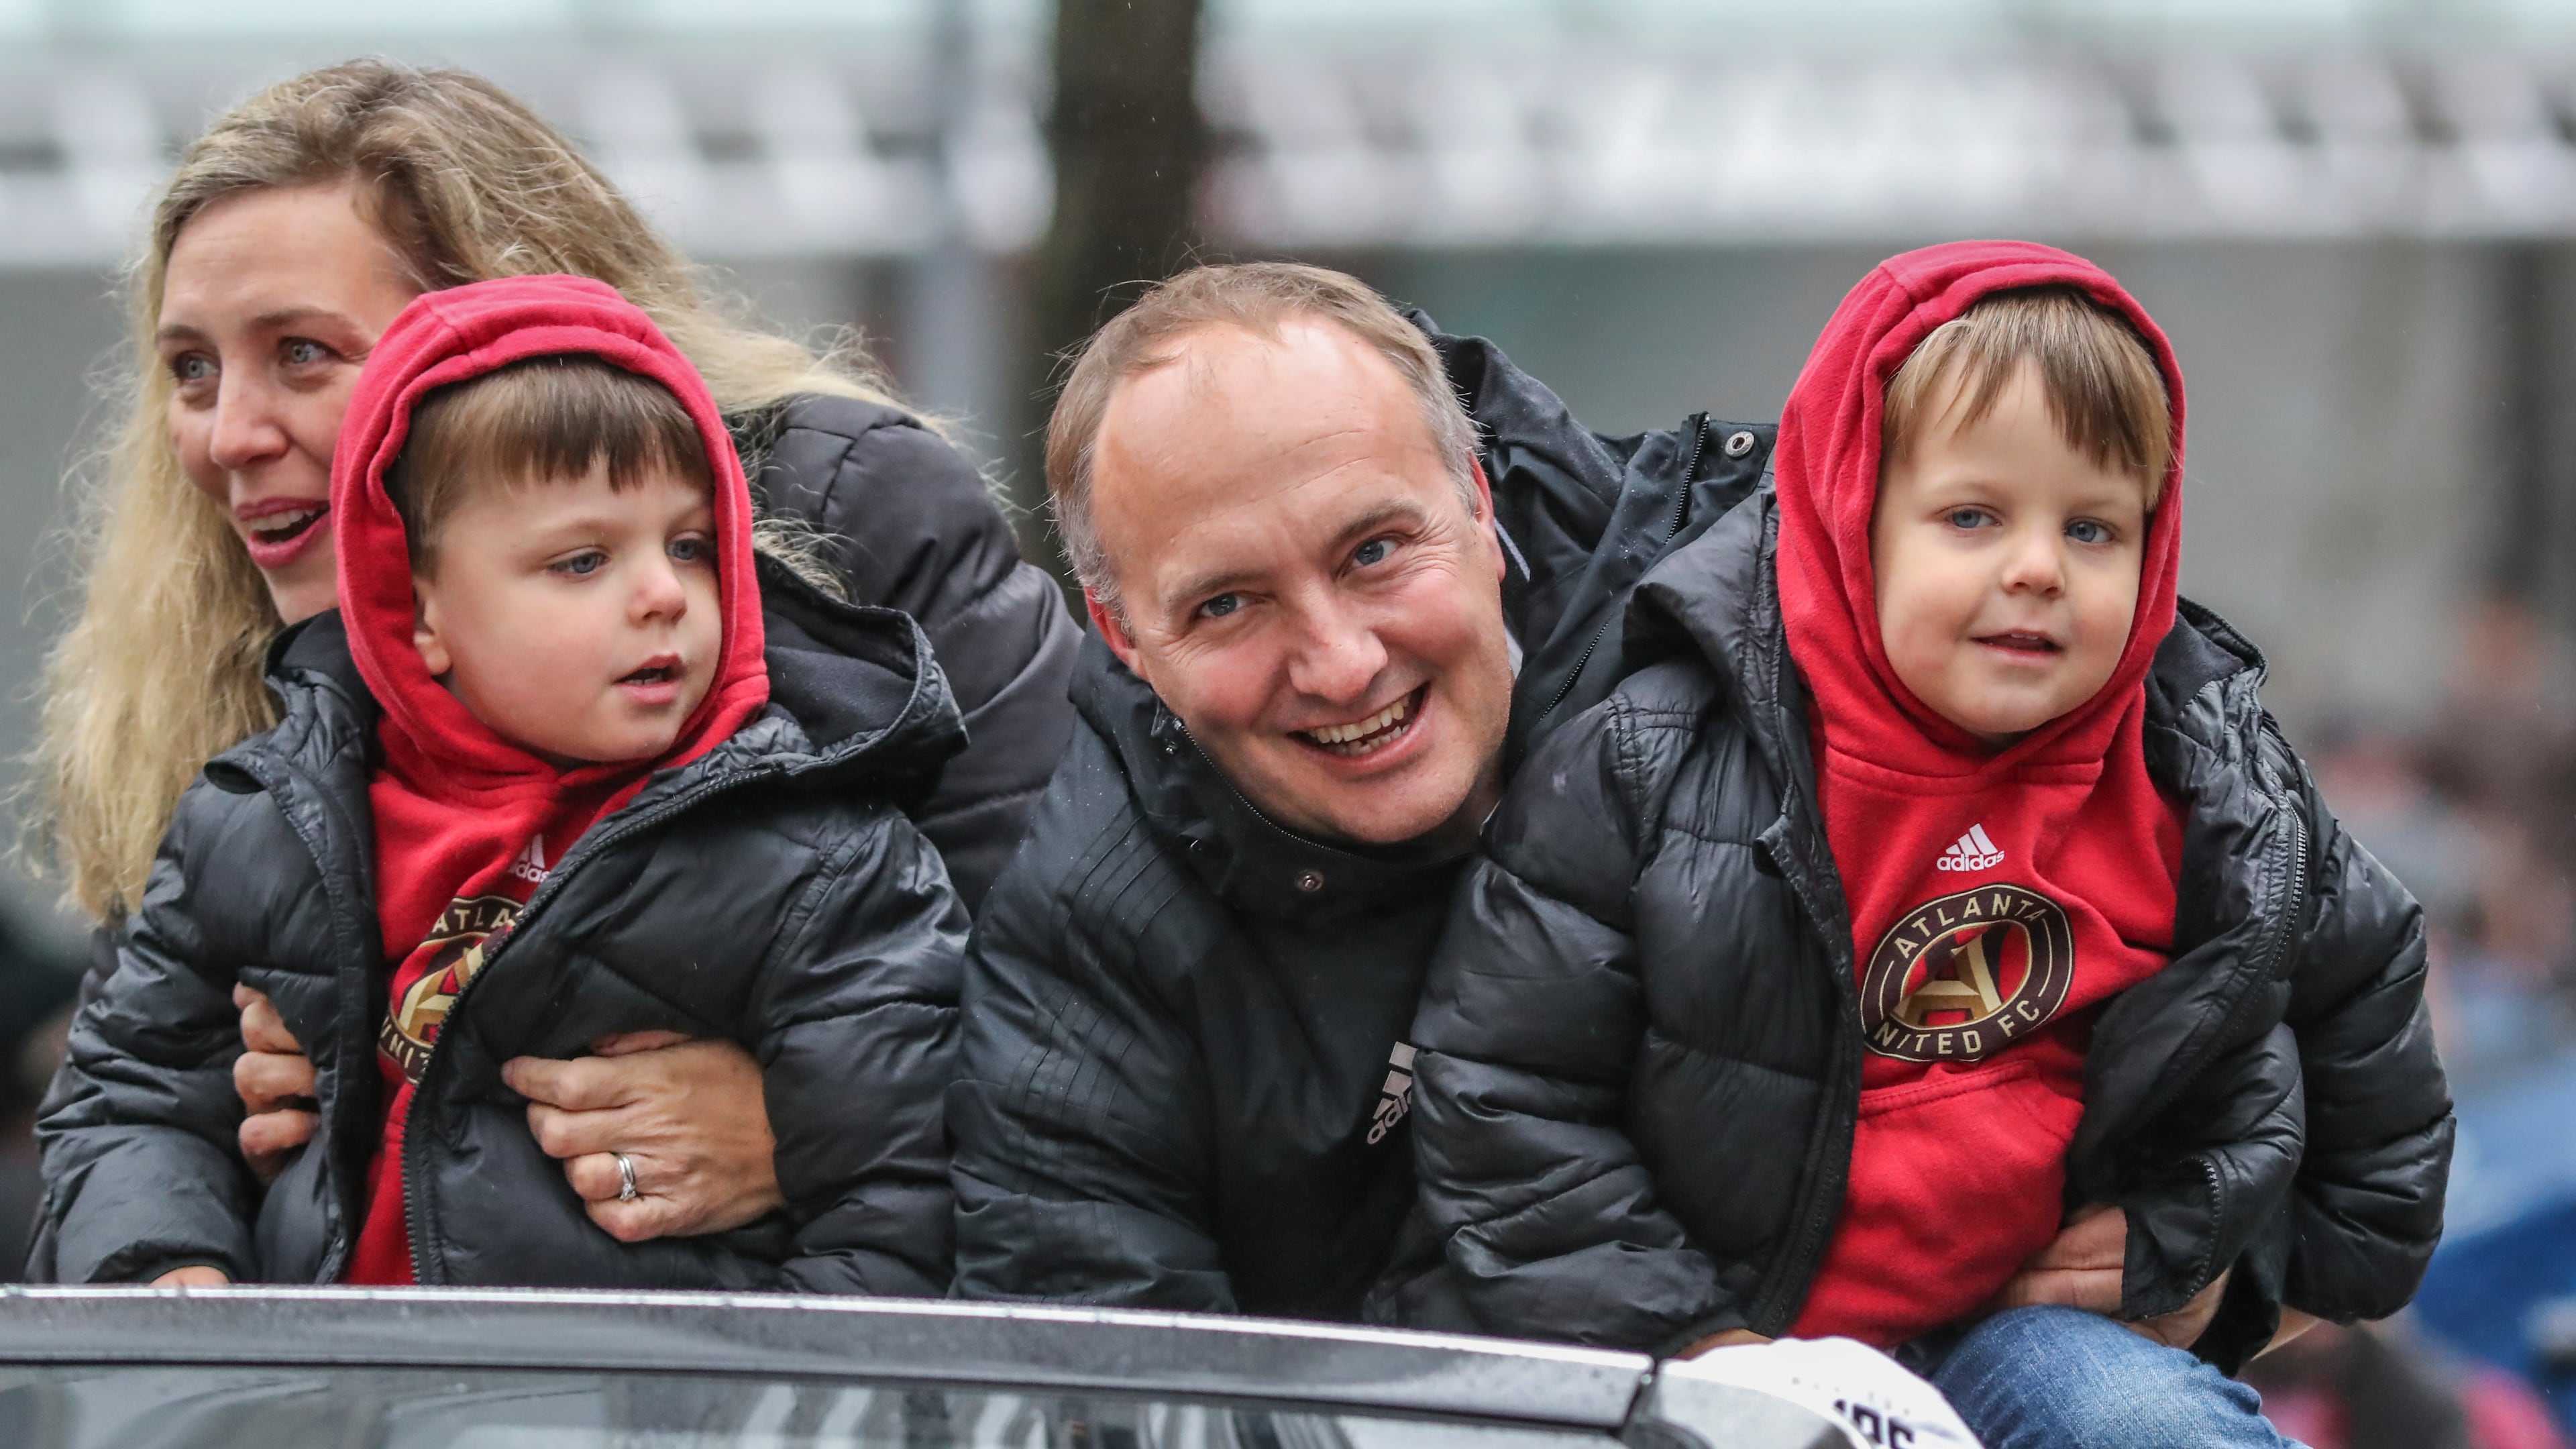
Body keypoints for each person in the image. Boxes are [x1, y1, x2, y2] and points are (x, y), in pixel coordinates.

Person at [1393, 241, 2454, 1443]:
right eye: (1972, 516)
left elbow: (2378, 1079)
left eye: (2097, 528)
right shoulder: (1648, 757)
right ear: (1853, 516)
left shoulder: (2209, 779)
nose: (2039, 568)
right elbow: (1502, 1099)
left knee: (2139, 1427)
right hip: (1712, 1353)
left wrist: (2232, 1271)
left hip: (2024, 1340)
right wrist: (1701, 1351)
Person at [24, 60, 1073, 1266]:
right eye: (192, 369)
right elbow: (128, 1099)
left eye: (304, 353)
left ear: (503, 348)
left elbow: (1074, 1003)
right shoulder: (245, 706)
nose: (228, 434)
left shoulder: (854, 514)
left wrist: (795, 1123)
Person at [947, 262, 1776, 1316]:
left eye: (1374, 552)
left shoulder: (1772, 622)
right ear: (1125, 638)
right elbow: (1099, 1390)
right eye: (1228, 605)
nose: (1339, 665)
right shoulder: (1089, 941)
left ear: (1476, 500)